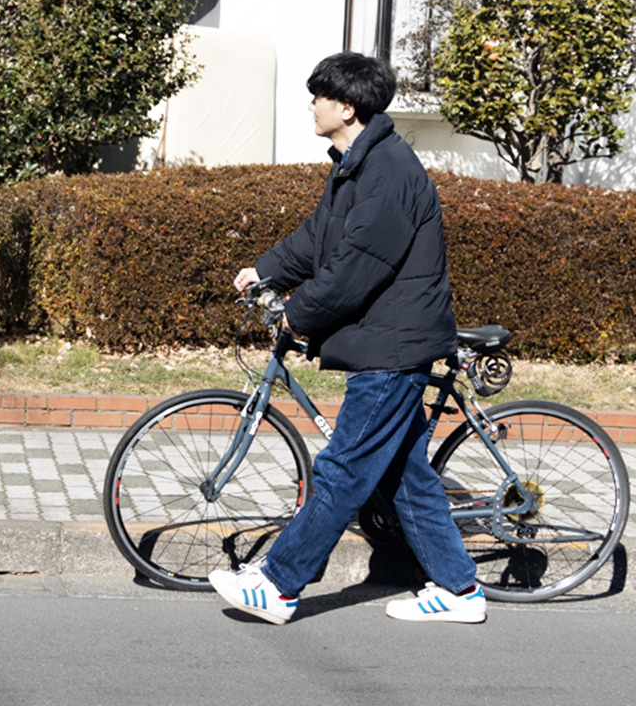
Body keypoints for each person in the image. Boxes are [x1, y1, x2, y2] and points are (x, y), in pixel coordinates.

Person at [208, 51, 486, 624]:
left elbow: (358, 264)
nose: (311, 105)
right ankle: (460, 591)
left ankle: (280, 585)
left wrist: (300, 314)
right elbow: (318, 240)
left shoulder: (388, 172)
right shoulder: (356, 165)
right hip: (385, 342)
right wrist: (265, 271)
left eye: (319, 96)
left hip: (393, 348)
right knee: (405, 475)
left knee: (342, 467)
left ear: (347, 107)